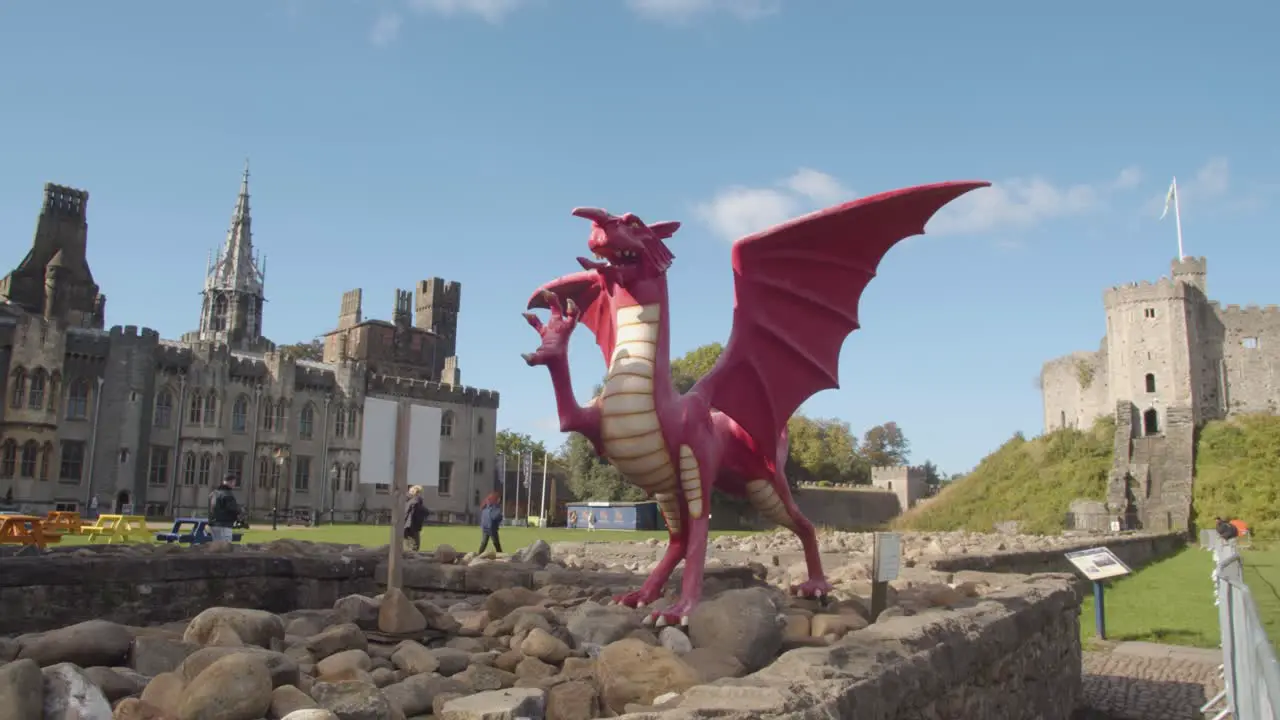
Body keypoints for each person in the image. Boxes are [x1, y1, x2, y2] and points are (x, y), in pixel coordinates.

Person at [208, 474, 240, 543]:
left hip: (213, 524)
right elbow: (232, 509)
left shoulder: (213, 493)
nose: (235, 484)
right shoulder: (227, 494)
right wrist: (240, 512)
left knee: (217, 546)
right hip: (224, 524)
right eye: (234, 482)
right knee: (225, 548)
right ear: (230, 482)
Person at [404, 485, 427, 552]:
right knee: (415, 547)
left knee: (408, 546)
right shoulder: (416, 501)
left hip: (405, 526)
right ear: (417, 493)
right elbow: (423, 512)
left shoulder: (406, 500)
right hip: (412, 526)